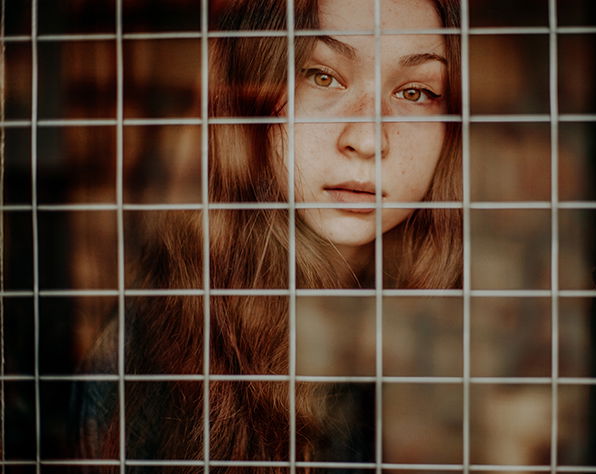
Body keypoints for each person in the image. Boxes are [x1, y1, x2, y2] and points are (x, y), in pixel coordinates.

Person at [76, 0, 463, 471]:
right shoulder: (154, 339)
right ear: (249, 93)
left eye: (417, 92)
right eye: (322, 75)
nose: (366, 137)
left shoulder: (491, 320)